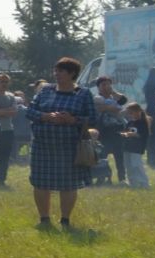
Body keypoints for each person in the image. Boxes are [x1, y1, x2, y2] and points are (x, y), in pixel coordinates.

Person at [23, 56, 100, 230]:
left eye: (61, 71)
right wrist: (45, 116)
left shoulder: (83, 94)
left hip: (69, 146)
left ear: (72, 74)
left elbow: (93, 118)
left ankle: (65, 220)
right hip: (42, 145)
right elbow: (30, 111)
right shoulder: (45, 90)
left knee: (68, 184)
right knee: (40, 182)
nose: (56, 74)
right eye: (55, 70)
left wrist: (73, 119)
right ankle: (44, 219)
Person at [93, 75, 129, 184]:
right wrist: (114, 109)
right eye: (103, 85)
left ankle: (122, 178)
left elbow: (124, 100)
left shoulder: (114, 97)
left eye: (108, 84)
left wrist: (112, 92)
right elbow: (101, 107)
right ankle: (101, 178)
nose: (106, 87)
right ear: (98, 87)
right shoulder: (96, 98)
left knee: (119, 155)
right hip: (103, 130)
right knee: (102, 155)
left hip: (117, 130)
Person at [0, 72, 20, 187]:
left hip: (8, 130)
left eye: (6, 82)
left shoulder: (11, 96)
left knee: (5, 155)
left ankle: (1, 178)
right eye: (2, 81)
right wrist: (6, 111)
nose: (4, 84)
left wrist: (1, 111)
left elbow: (15, 112)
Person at [122, 101, 153, 189]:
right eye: (129, 113)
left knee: (137, 165)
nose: (130, 115)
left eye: (131, 112)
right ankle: (133, 183)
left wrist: (134, 134)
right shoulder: (130, 122)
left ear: (138, 111)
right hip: (127, 147)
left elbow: (143, 135)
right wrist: (124, 134)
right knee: (128, 166)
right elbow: (126, 131)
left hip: (137, 148)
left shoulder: (143, 123)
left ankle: (144, 183)